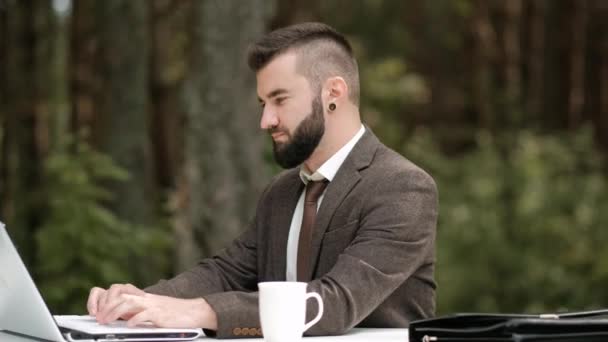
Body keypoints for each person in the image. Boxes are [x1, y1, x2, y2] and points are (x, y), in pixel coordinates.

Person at [86, 22, 438, 338]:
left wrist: (197, 311)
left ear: (334, 93)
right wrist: (142, 301)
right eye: (262, 104)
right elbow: (226, 273)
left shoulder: (403, 187)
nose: (266, 120)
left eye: (280, 100)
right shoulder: (281, 191)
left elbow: (333, 304)